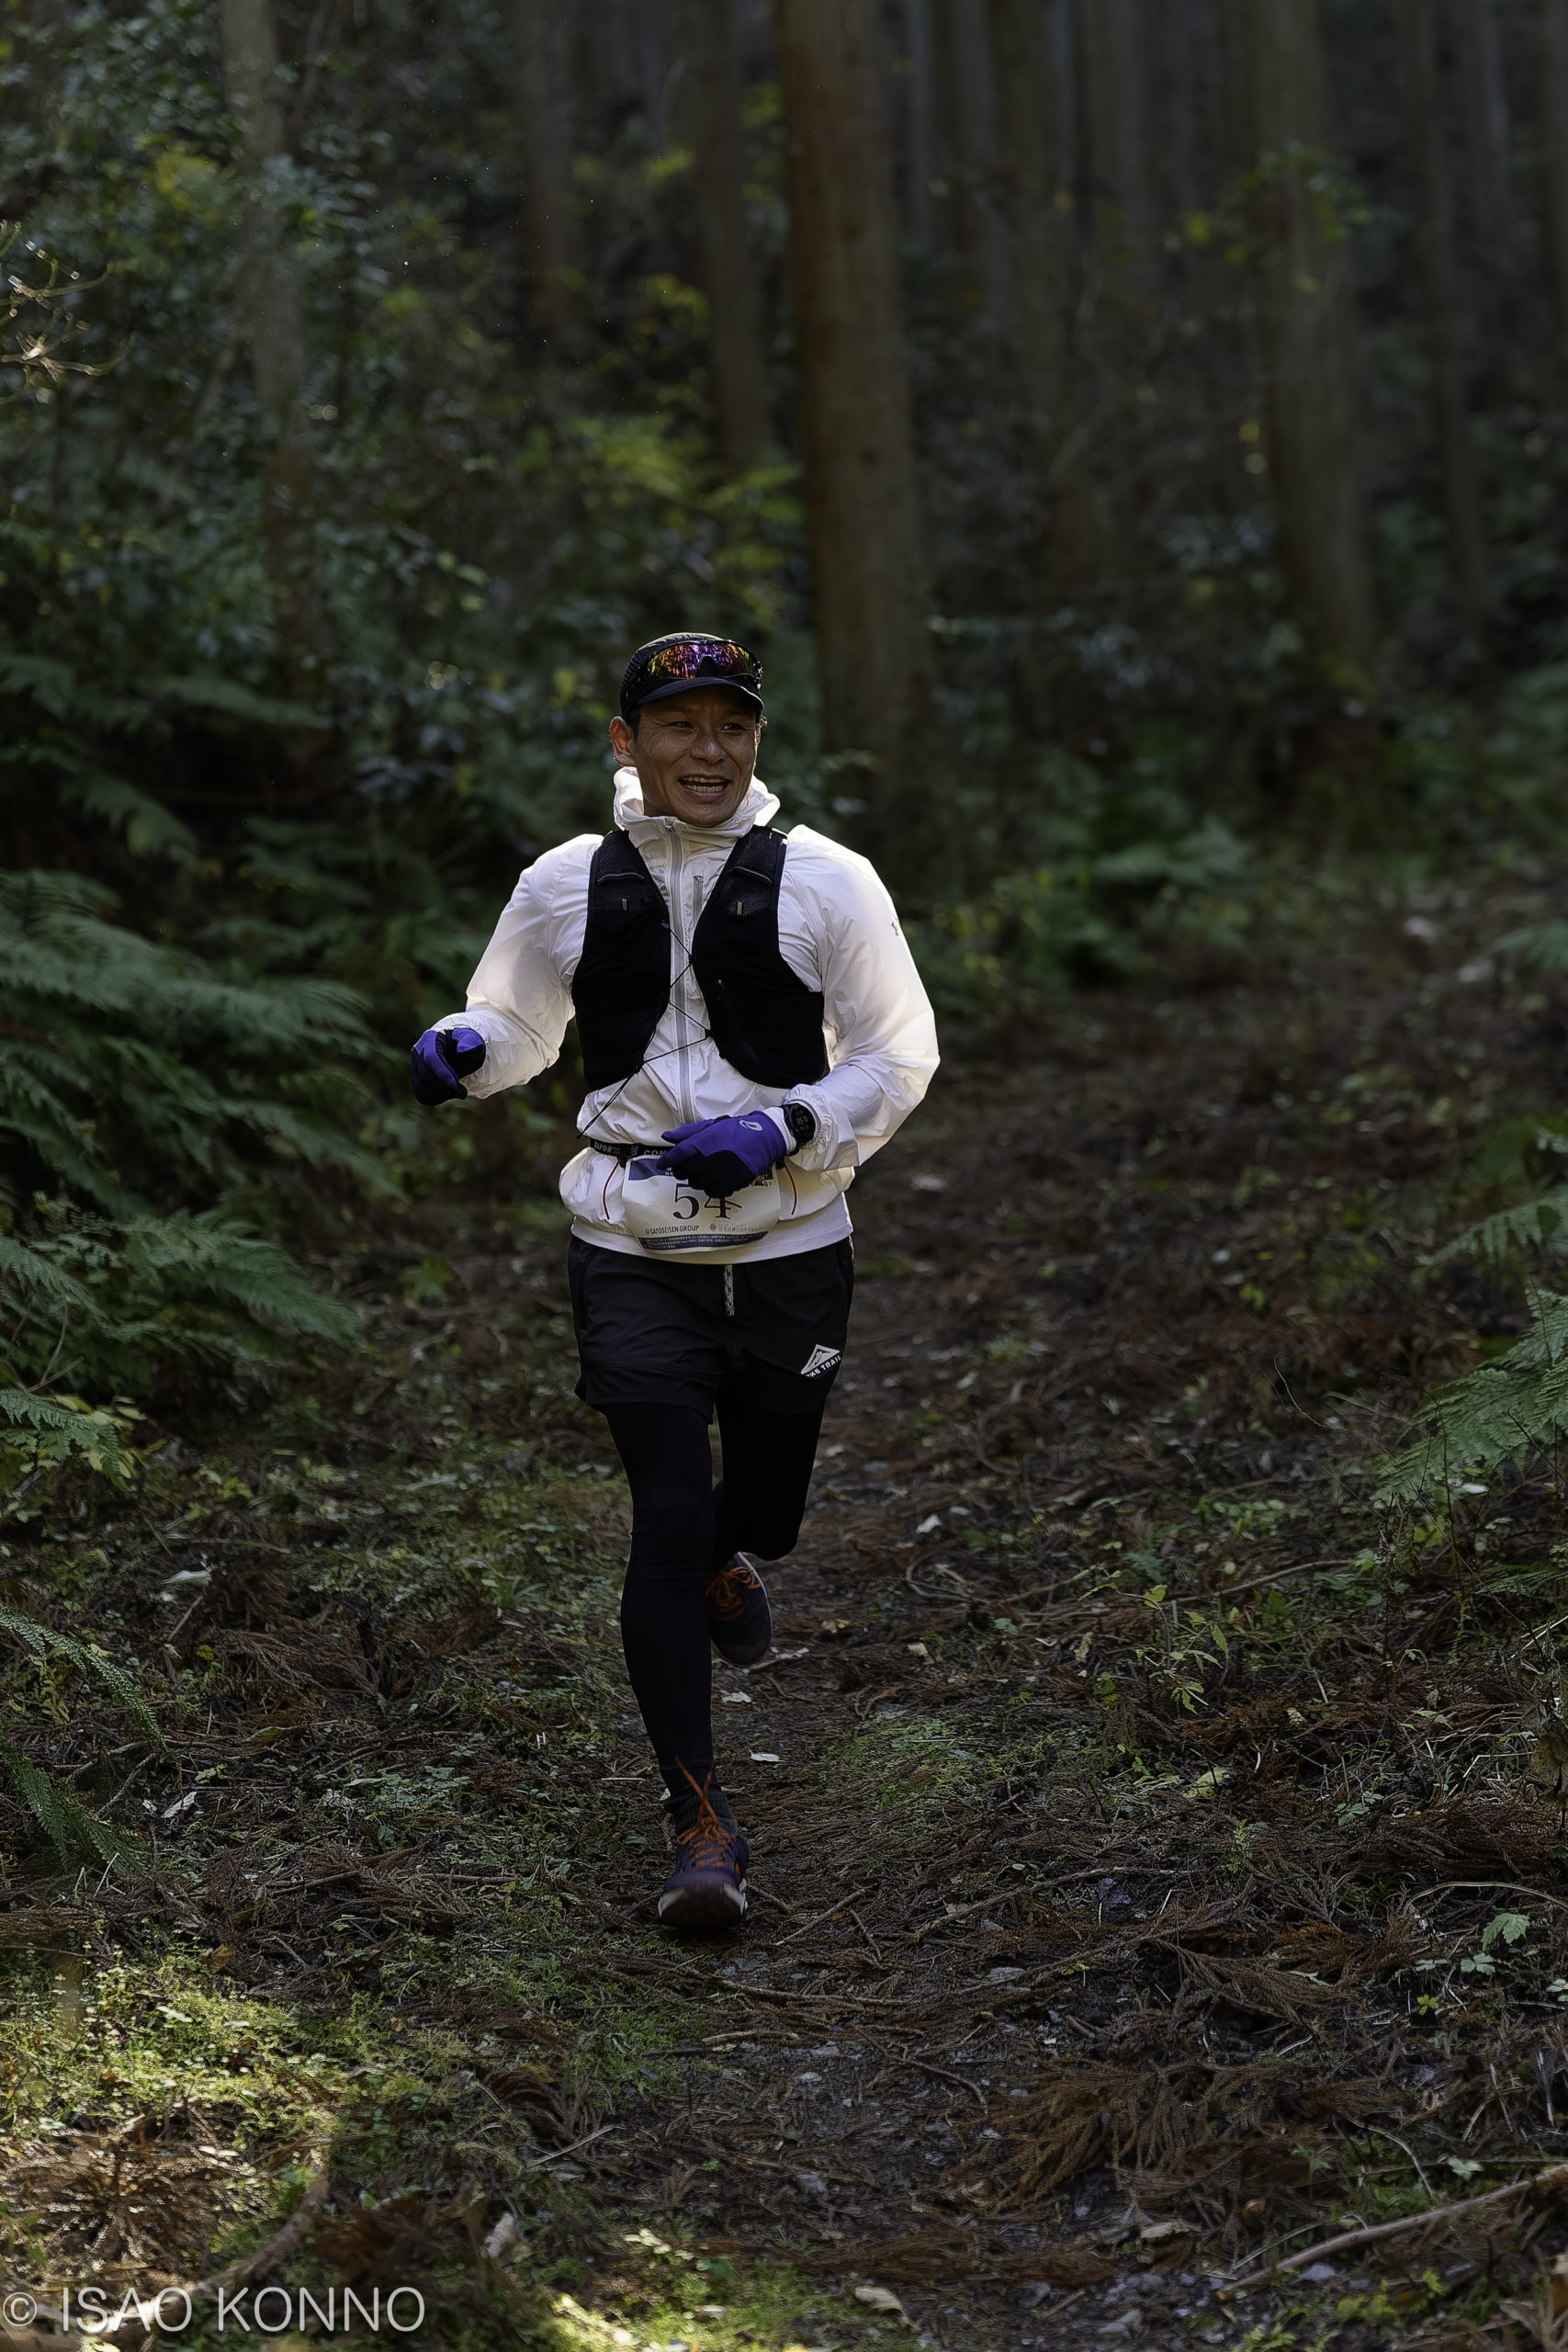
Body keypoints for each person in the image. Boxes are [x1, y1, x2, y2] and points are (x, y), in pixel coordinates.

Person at [409, 633, 938, 1931]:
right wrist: (467, 1047)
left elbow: (900, 1053)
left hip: (791, 1238)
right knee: (663, 1514)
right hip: (628, 1237)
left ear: (757, 740)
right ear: (626, 740)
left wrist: (786, 1123)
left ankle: (733, 1555)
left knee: (763, 1510)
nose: (710, 751)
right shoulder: (562, 883)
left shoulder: (829, 880)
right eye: (680, 726)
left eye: (732, 727)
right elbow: (523, 1025)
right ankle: (700, 1824)